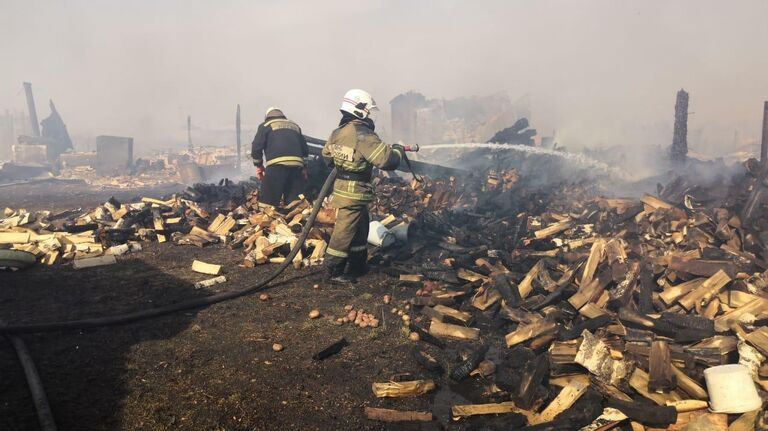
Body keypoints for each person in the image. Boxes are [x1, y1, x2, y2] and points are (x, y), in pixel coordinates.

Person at [321, 89, 405, 284]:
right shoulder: (362, 133)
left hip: (343, 186)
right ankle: (332, 271)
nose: (369, 114)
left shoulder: (338, 132)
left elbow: (327, 157)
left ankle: (358, 264)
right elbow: (386, 160)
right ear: (359, 109)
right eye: (368, 110)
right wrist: (398, 151)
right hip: (355, 190)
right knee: (344, 230)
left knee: (360, 227)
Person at [251, 107, 309, 207]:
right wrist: (304, 168)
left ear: (267, 117)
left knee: (267, 203)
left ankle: (267, 220)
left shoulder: (265, 125)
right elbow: (305, 150)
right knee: (294, 204)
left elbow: (256, 147)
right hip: (296, 168)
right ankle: (296, 221)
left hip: (276, 167)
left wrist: (259, 166)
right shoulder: (295, 126)